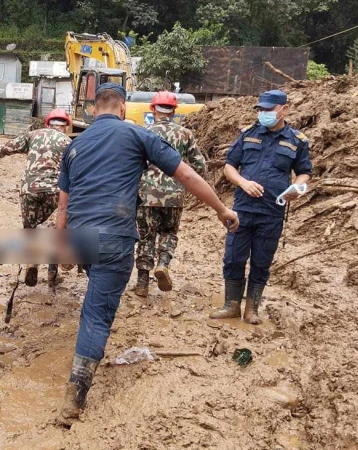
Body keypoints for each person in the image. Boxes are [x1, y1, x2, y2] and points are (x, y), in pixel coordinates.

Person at [55, 83, 239, 425]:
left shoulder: (74, 146)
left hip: (79, 237)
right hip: (115, 237)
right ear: (123, 108)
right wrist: (220, 209)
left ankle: (82, 364)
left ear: (94, 109)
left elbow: (63, 204)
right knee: (96, 316)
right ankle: (74, 397)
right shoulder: (136, 135)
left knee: (94, 294)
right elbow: (185, 173)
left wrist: (63, 247)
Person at [210, 90, 312, 325]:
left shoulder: (297, 141)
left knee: (261, 261)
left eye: (269, 109)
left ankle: (252, 309)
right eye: (261, 110)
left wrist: (296, 188)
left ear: (284, 109)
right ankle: (231, 305)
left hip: (272, 212)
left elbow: (305, 173)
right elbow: (229, 167)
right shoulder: (248, 134)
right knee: (233, 258)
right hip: (242, 210)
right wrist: (243, 182)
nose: (263, 114)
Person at [133, 91, 207, 296]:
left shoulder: (143, 133)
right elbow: (200, 165)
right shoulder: (185, 134)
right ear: (174, 111)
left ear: (152, 109)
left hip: (147, 195)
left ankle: (142, 283)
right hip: (175, 195)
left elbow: (133, 165)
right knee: (169, 233)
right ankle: (163, 265)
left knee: (145, 237)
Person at [0, 108, 72, 287]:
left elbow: (7, 147)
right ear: (66, 126)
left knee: (31, 232)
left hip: (29, 190)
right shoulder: (68, 142)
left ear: (47, 123)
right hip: (55, 191)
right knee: (55, 229)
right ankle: (52, 273)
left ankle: (31, 261)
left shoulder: (34, 134)